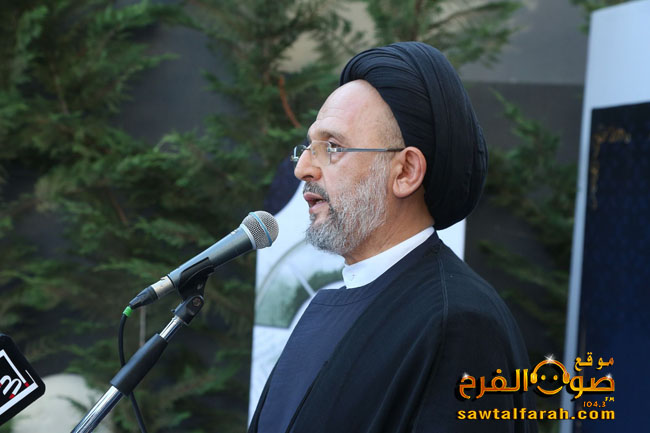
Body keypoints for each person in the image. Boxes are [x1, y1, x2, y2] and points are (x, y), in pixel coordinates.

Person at [249, 42, 537, 433]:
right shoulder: (328, 307)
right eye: (308, 147)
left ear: (405, 172)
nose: (303, 169)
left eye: (332, 147)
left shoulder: (459, 325)